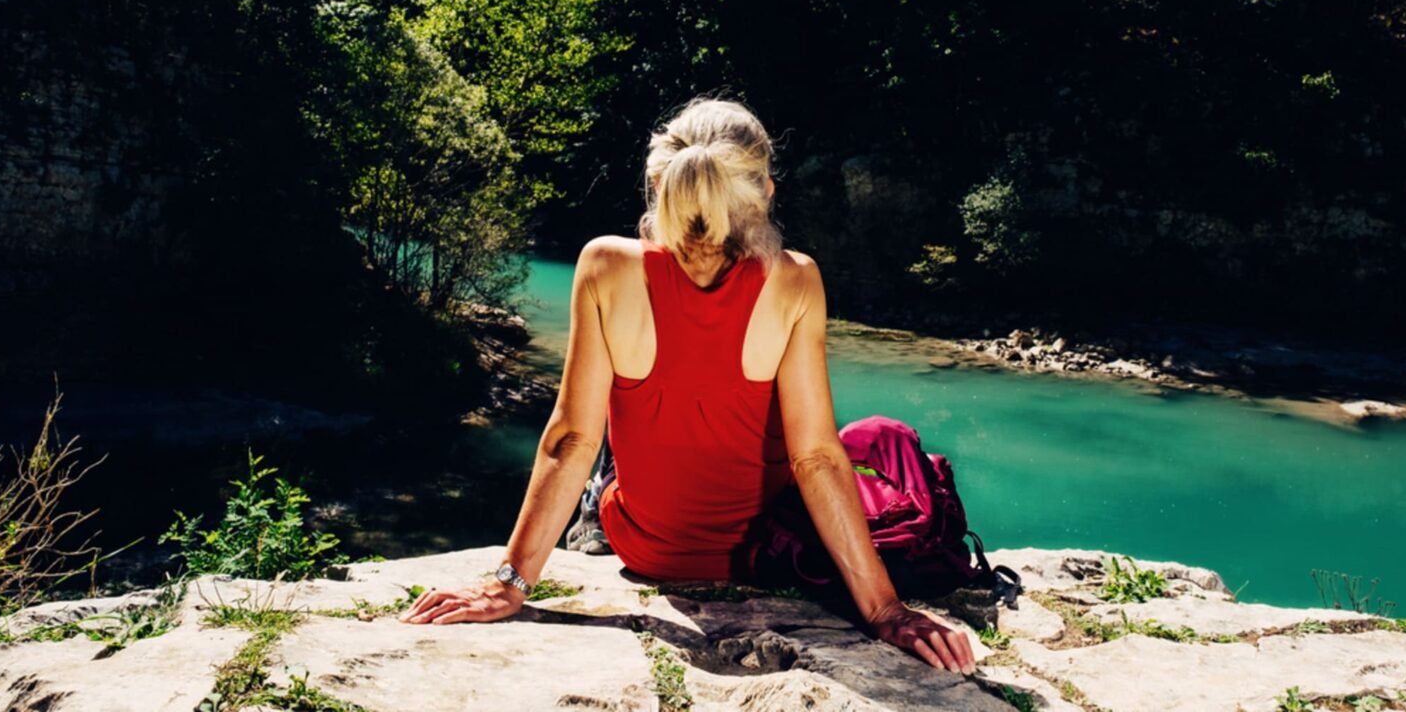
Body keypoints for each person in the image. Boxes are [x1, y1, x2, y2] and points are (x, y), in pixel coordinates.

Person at [401, 96, 976, 675]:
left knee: (608, 427)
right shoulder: (796, 280)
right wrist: (884, 608)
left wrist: (510, 584)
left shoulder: (605, 264)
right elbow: (815, 460)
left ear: (657, 181)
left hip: (647, 545)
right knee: (861, 435)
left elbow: (570, 438)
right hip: (755, 553)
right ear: (764, 192)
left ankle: (586, 526)